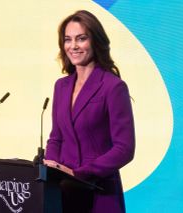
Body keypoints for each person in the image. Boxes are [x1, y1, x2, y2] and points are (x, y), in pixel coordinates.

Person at [43, 10, 135, 213]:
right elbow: (56, 138)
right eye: (68, 40)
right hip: (63, 193)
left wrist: (79, 174)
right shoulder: (61, 86)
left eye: (81, 39)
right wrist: (50, 169)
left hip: (98, 193)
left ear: (95, 41)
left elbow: (124, 149)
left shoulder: (113, 87)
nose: (73, 46)